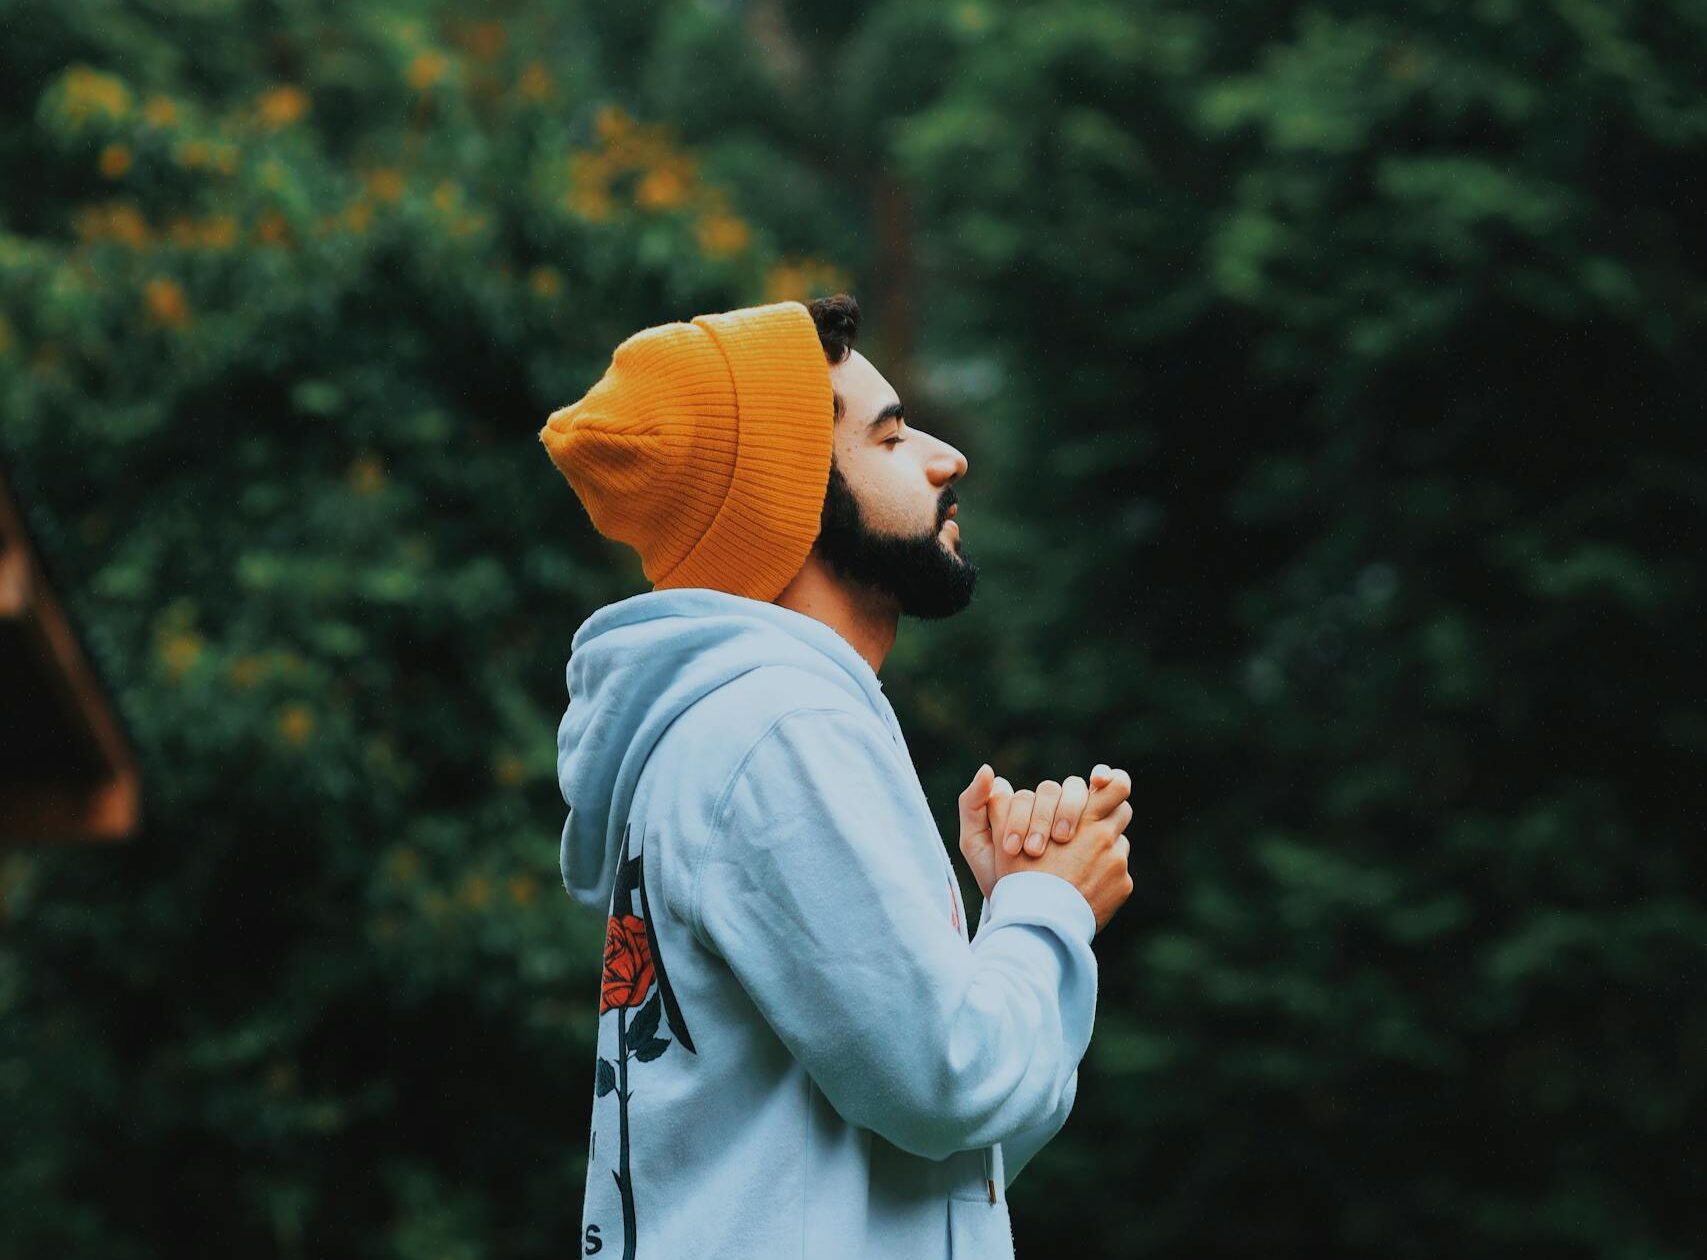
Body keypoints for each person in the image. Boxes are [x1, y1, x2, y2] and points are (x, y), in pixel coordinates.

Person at [539, 294, 1134, 1259]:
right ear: (789, 504)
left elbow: (941, 1161)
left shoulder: (747, 723)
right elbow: (948, 1087)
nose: (947, 457)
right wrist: (1044, 915)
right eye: (891, 438)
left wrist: (1011, 919)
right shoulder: (780, 726)